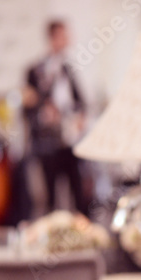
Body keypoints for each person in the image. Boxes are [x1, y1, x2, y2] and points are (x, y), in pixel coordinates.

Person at [24, 20, 90, 216]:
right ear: (52, 37)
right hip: (48, 144)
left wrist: (80, 118)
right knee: (50, 196)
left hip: (70, 141)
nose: (68, 40)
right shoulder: (35, 71)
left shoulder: (67, 69)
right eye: (63, 35)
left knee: (78, 193)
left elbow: (80, 101)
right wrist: (44, 113)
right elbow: (28, 107)